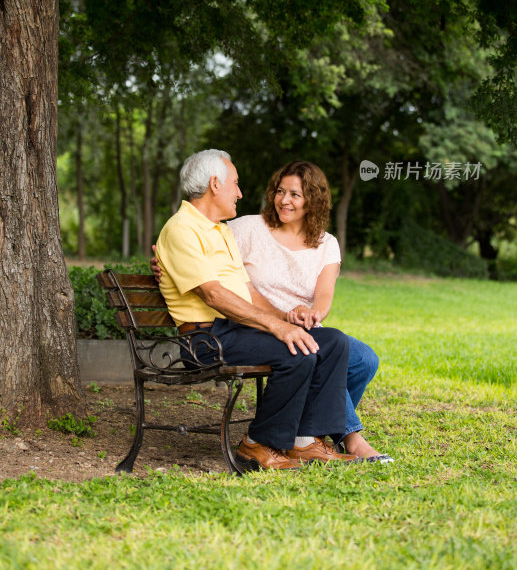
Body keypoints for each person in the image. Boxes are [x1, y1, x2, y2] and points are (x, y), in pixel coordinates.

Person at [152, 158, 392, 462]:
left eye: (295, 194)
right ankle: (257, 442)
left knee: (335, 343)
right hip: (205, 337)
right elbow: (213, 294)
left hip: (237, 327)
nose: (240, 193)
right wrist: (278, 326)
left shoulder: (219, 232)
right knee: (300, 351)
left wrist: (285, 320)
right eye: (236, 184)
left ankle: (304, 440)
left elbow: (247, 290)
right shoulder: (186, 229)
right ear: (215, 184)